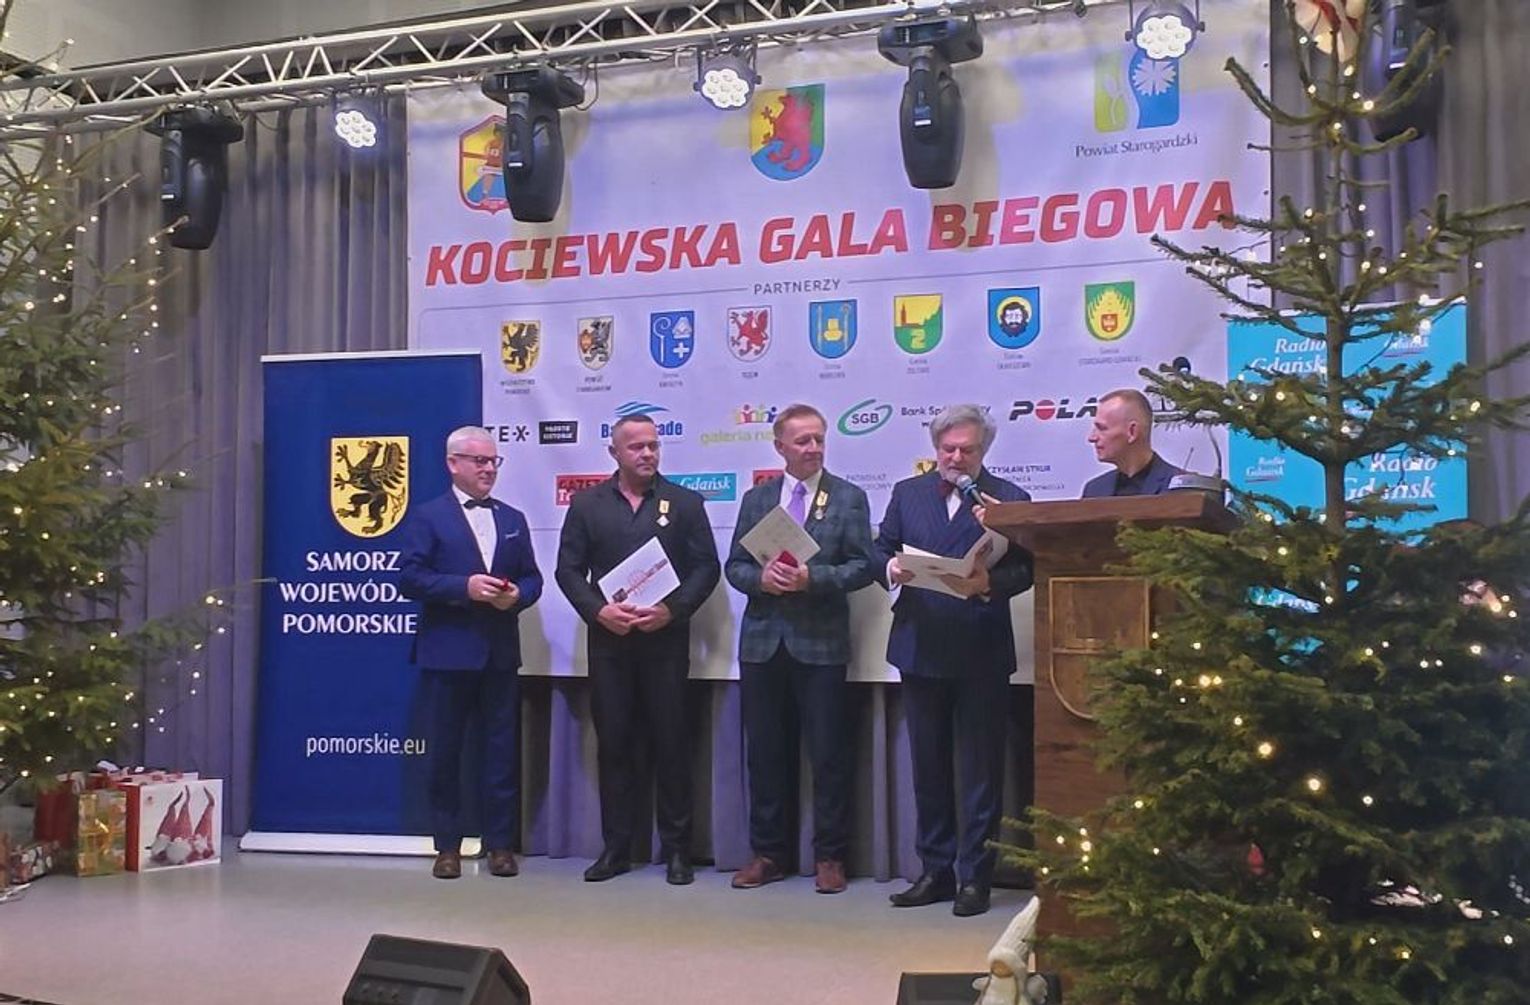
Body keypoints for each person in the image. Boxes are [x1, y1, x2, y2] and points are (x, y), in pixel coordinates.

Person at [874, 404, 1034, 917]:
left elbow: (1028, 569)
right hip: (919, 644)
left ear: (984, 451)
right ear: (935, 449)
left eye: (967, 450)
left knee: (981, 771)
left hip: (981, 646)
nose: (957, 458)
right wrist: (891, 567)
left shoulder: (1008, 498)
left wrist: (991, 583)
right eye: (949, 449)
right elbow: (879, 549)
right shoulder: (908, 493)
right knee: (928, 768)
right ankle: (935, 872)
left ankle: (975, 878)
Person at [554, 414, 721, 885]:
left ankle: (677, 851)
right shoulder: (586, 504)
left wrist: (672, 610)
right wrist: (597, 611)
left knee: (672, 745)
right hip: (610, 645)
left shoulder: (685, 503)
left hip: (665, 643)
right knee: (614, 746)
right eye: (637, 447)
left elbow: (706, 568)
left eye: (653, 445)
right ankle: (616, 849)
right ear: (615, 453)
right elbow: (568, 570)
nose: (648, 453)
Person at [724, 404, 875, 895]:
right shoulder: (757, 498)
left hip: (821, 645)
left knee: (829, 755)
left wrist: (814, 578)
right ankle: (769, 854)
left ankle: (830, 856)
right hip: (763, 644)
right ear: (780, 447)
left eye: (819, 439)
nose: (813, 448)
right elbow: (735, 567)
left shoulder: (848, 498)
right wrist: (761, 580)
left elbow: (863, 567)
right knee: (765, 755)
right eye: (803, 441)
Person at [400, 426, 543, 881]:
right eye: (479, 461)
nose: (488, 469)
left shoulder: (513, 518)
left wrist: (517, 595)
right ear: (452, 463)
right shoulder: (427, 516)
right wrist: (464, 587)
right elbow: (409, 578)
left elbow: (533, 579)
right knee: (445, 753)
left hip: (499, 655)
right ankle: (447, 846)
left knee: (501, 753)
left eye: (493, 461)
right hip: (448, 654)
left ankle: (500, 845)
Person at [1081, 388, 1183, 497]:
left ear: (1132, 432)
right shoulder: (1094, 490)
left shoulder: (1180, 488)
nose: (1092, 438)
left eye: (1102, 428)